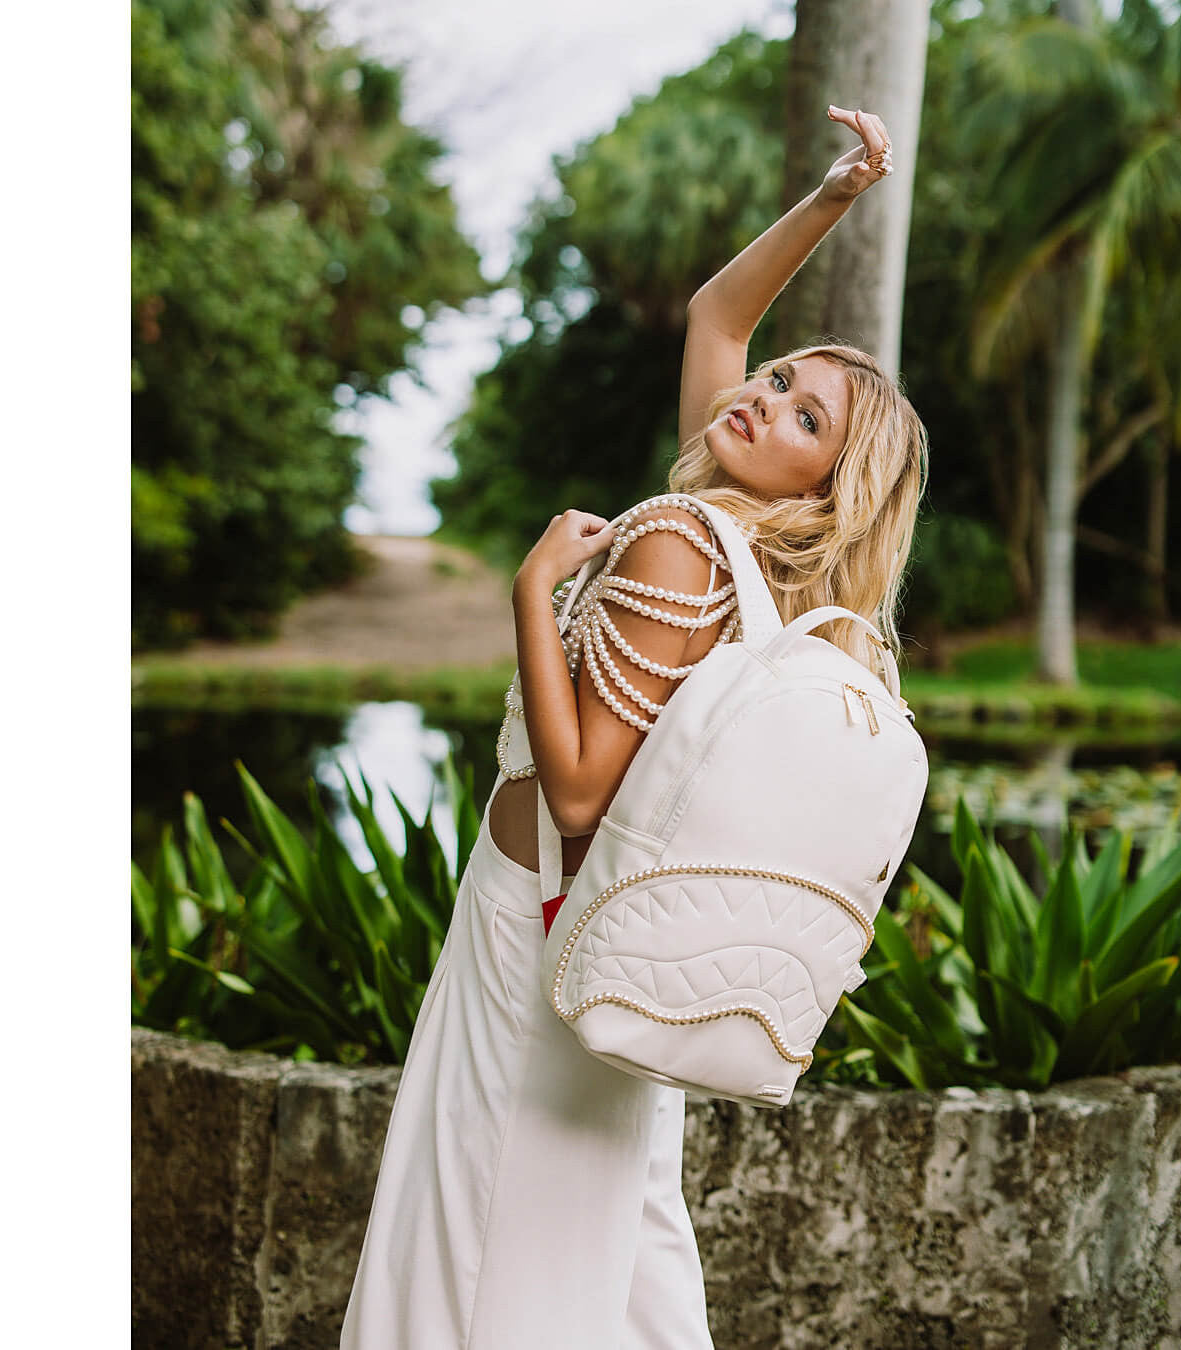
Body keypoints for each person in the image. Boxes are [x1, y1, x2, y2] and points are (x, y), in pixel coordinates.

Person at [340, 103, 928, 1350]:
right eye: (781, 379)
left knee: (481, 1243)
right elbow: (719, 317)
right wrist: (834, 196)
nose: (764, 398)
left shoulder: (678, 538)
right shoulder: (771, 577)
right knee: (604, 1256)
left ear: (828, 485)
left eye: (807, 420)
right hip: (618, 939)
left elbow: (574, 791)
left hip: (536, 921)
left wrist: (530, 591)